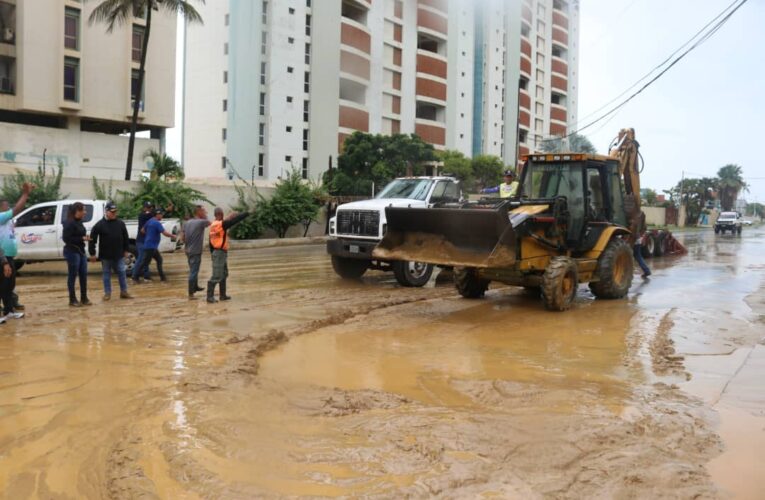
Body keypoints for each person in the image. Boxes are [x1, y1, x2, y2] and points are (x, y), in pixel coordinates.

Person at [0, 182, 35, 314]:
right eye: (5, 206)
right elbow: (16, 209)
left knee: (9, 284)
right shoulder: (0, 217)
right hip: (2, 256)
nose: (8, 208)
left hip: (9, 255)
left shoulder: (7, 220)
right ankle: (7, 310)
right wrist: (25, 194)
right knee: (5, 284)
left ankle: (9, 310)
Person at [88, 202, 134, 301]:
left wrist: (126, 250)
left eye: (115, 212)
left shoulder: (120, 223)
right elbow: (92, 239)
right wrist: (92, 253)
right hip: (106, 255)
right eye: (112, 212)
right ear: (106, 211)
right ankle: (107, 293)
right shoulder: (100, 225)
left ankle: (124, 292)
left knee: (122, 272)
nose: (114, 214)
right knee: (106, 274)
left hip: (119, 254)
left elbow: (126, 237)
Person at [206, 208, 249, 303]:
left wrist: (212, 254)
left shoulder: (214, 225)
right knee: (217, 275)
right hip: (219, 252)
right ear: (220, 214)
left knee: (224, 274)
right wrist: (246, 213)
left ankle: (223, 295)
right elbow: (233, 221)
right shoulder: (220, 224)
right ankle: (209, 297)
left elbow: (210, 242)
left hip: (219, 252)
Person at [134, 209, 176, 282]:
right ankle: (135, 277)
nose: (162, 216)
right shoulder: (157, 223)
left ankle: (162, 277)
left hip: (150, 245)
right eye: (161, 214)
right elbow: (164, 233)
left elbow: (142, 230)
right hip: (151, 246)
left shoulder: (149, 221)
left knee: (158, 260)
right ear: (157, 215)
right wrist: (173, 236)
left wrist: (149, 234)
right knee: (144, 263)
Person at [63, 202, 91, 307]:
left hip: (81, 251)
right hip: (72, 252)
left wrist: (85, 238)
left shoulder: (79, 221)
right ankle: (72, 299)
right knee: (73, 276)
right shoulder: (69, 223)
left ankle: (84, 298)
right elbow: (66, 239)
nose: (85, 212)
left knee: (83, 275)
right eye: (83, 210)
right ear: (77, 211)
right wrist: (81, 238)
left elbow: (80, 234)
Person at [180, 205, 211, 299]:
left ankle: (195, 287)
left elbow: (183, 237)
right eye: (203, 211)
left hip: (188, 250)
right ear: (199, 212)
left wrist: (187, 246)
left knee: (193, 269)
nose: (205, 213)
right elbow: (210, 223)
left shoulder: (187, 222)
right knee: (193, 272)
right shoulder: (201, 222)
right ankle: (190, 294)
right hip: (195, 251)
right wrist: (205, 215)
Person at [131, 201, 154, 283]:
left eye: (150, 207)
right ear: (144, 208)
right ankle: (134, 276)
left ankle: (146, 276)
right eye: (148, 208)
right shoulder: (142, 216)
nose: (149, 209)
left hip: (146, 241)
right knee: (141, 259)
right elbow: (149, 216)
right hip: (141, 241)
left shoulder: (150, 216)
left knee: (146, 259)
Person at [631, 210, 652, 279]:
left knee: (635, 256)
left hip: (633, 238)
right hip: (638, 237)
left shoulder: (632, 214)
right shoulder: (641, 214)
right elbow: (644, 228)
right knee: (638, 256)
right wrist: (641, 236)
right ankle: (647, 271)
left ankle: (646, 271)